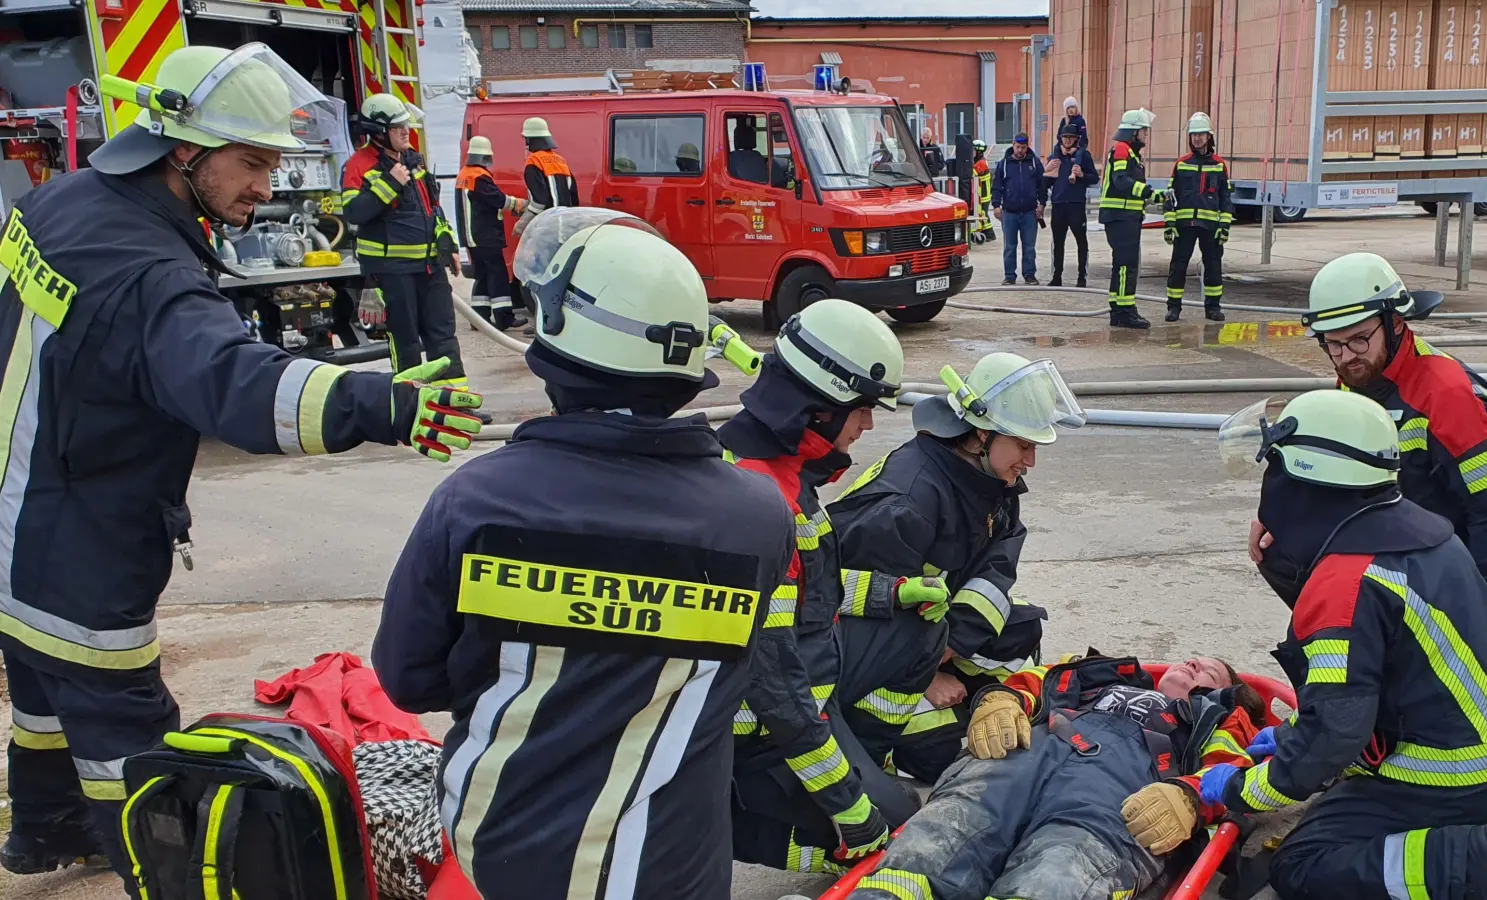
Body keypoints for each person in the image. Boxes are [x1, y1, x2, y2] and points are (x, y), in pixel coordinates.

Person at [0, 45, 484, 889]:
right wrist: (389, 405)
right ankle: (165, 872)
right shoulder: (149, 275)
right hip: (76, 534)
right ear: (182, 152)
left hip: (19, 511)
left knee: (44, 690)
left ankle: (44, 833)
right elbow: (241, 389)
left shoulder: (63, 204)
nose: (263, 188)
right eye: (251, 163)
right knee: (129, 736)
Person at [372, 208, 795, 900]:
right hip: (674, 872)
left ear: (555, 352)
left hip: (496, 865)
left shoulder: (477, 501)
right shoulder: (756, 516)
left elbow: (410, 680)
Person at [1128, 388, 1487, 900]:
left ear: (1303, 478)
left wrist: (1235, 787)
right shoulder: (1424, 532)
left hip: (1447, 779)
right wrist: (1287, 735)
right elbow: (1376, 687)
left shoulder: (1345, 581)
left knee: (1301, 865)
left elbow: (1330, 743)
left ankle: (1470, 862)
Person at [1246, 253, 1487, 696]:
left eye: (1359, 340)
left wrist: (1477, 610)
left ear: (1396, 323)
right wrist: (1276, 517)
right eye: (1333, 343)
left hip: (1470, 556)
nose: (1346, 357)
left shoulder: (1449, 394)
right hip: (1408, 537)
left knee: (1432, 677)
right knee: (1283, 551)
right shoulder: (1361, 375)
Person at [718, 300, 934, 875]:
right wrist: (846, 803)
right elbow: (777, 689)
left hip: (813, 688)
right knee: (883, 829)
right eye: (860, 410)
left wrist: (894, 594)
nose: (866, 425)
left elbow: (814, 593)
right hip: (760, 733)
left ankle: (860, 757)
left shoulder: (786, 472)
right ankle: (732, 818)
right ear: (815, 411)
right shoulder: (757, 499)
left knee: (921, 627)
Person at [827, 352, 1085, 782]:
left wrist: (951, 647)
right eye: (1024, 445)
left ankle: (954, 695)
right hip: (866, 645)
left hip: (928, 630)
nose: (1031, 461)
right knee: (936, 755)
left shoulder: (989, 484)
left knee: (1022, 628)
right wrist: (925, 672)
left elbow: (995, 574)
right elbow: (856, 610)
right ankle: (876, 740)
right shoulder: (909, 501)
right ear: (982, 434)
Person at [846, 653, 1268, 900]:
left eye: (1208, 672)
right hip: (1016, 764)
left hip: (1110, 797)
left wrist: (1188, 797)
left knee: (1058, 874)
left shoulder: (1214, 718)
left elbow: (1230, 773)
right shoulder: (1094, 675)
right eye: (1191, 659)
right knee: (938, 839)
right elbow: (1035, 682)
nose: (1194, 664)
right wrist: (1001, 699)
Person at [342, 93, 489, 419]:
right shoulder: (359, 166)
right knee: (406, 342)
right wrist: (388, 184)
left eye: (407, 124)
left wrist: (447, 243)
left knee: (443, 336)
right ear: (378, 132)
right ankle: (410, 412)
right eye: (398, 127)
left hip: (429, 267)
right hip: (391, 271)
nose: (406, 131)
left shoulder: (413, 160)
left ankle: (454, 408)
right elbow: (354, 212)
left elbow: (431, 209)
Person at [1163, 112, 1233, 322]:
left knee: (1213, 266)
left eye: (1201, 134)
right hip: (1184, 225)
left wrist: (1225, 226)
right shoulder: (1182, 163)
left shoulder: (1219, 165)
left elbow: (1225, 198)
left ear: (1209, 137)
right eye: (1194, 135)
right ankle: (1173, 308)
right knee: (1178, 266)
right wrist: (1169, 222)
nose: (1197, 138)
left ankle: (1213, 308)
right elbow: (1170, 196)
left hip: (1210, 226)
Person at [1100, 108, 1165, 330]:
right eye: (1143, 132)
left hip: (1126, 216)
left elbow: (1128, 185)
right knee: (1127, 265)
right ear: (1133, 132)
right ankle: (1125, 311)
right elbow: (1120, 181)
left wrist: (1153, 196)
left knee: (1123, 265)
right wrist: (1148, 192)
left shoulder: (1130, 154)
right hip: (1121, 217)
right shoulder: (1121, 150)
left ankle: (1119, 310)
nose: (1146, 136)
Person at [454, 135, 527, 331]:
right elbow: (497, 200)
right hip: (485, 235)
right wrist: (520, 204)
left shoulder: (464, 175)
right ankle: (504, 318)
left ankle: (479, 319)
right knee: (498, 276)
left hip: (472, 237)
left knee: (483, 276)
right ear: (485, 157)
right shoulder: (479, 177)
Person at [1045, 122, 1098, 287]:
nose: (1067, 141)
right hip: (1058, 204)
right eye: (1065, 137)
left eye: (1071, 137)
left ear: (1076, 139)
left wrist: (1082, 175)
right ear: (1060, 138)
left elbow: (1094, 178)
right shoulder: (1054, 156)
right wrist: (1046, 170)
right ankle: (1057, 276)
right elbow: (1044, 182)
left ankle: (1081, 276)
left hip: (1076, 204)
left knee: (1081, 241)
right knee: (1058, 242)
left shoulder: (1084, 156)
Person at [991, 132, 1047, 286]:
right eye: (1018, 147)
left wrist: (1042, 204)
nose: (1020, 150)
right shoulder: (1004, 165)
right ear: (1013, 145)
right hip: (1009, 213)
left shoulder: (1035, 163)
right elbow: (996, 187)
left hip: (1030, 213)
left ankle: (1029, 275)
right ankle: (1009, 276)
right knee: (1010, 246)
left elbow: (1042, 186)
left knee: (1029, 247)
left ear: (1027, 147)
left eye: (1023, 147)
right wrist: (996, 206)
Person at [512, 116, 578, 234]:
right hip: (564, 226)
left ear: (529, 140)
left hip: (545, 227)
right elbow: (574, 199)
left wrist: (521, 225)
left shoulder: (534, 161)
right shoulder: (560, 161)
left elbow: (539, 202)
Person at [971, 139, 996, 242]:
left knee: (983, 213)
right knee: (981, 212)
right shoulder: (980, 161)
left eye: (973, 150)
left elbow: (973, 172)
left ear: (979, 151)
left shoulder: (981, 163)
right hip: (981, 192)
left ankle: (990, 234)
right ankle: (983, 232)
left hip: (984, 193)